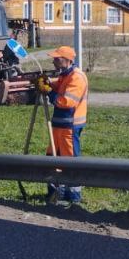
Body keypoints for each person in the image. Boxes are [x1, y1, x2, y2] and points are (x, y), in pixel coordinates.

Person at [39, 44, 88, 206]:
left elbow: (66, 101)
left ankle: (73, 196)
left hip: (70, 126)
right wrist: (47, 83)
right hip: (59, 126)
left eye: (57, 59)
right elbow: (58, 85)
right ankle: (55, 193)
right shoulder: (66, 75)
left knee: (70, 160)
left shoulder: (77, 77)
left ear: (66, 60)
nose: (54, 61)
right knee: (53, 157)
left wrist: (49, 92)